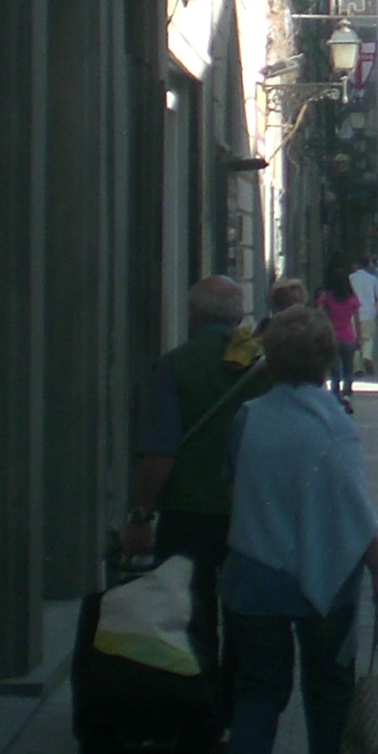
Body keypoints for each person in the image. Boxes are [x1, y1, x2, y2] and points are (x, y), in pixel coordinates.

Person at [211, 306, 378, 754]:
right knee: (329, 692)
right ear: (323, 361)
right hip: (326, 580)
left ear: (271, 359)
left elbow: (233, 491)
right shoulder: (333, 422)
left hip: (253, 575)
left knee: (258, 687)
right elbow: (356, 508)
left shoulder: (247, 418)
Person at [125, 275, 268, 712]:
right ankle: (236, 704)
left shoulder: (174, 366)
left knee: (191, 610)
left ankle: (200, 702)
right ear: (239, 315)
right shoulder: (264, 366)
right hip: (249, 511)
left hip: (188, 513)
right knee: (245, 613)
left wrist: (141, 514)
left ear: (194, 316)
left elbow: (160, 453)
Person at [316, 260, 361, 398]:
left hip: (332, 337)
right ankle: (347, 391)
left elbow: (318, 313)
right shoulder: (352, 299)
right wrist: (359, 338)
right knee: (348, 368)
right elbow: (357, 320)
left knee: (334, 370)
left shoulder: (327, 298)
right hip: (348, 337)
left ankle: (335, 392)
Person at [349, 256, 378, 374]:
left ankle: (357, 368)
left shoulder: (350, 278)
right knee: (368, 338)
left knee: (355, 340)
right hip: (369, 313)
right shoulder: (373, 279)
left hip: (352, 314)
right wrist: (376, 309)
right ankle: (367, 356)